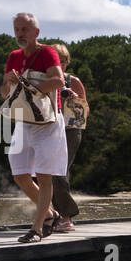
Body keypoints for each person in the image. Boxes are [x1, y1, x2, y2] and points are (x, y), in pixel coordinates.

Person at [1, 12, 67, 242]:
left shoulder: (47, 52)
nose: (20, 34)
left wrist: (29, 87)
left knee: (43, 175)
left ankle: (37, 228)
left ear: (36, 32)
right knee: (19, 175)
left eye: (25, 29)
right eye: (17, 29)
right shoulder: (14, 56)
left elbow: (59, 80)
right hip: (24, 121)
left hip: (47, 122)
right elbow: (3, 94)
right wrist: (8, 81)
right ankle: (50, 215)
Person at [49, 42, 88, 232]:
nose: (61, 65)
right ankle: (53, 215)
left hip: (69, 131)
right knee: (44, 173)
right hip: (46, 130)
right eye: (57, 61)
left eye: (64, 61)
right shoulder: (43, 81)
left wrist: (72, 100)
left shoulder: (74, 81)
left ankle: (65, 217)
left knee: (59, 171)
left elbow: (83, 113)